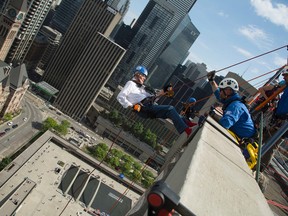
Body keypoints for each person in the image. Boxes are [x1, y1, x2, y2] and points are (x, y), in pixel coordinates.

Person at [117, 65, 196, 137]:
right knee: (170, 108)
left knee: (169, 112)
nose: (144, 78)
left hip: (148, 106)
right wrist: (131, 106)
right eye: (144, 76)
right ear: (138, 74)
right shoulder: (131, 83)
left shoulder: (142, 87)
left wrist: (161, 93)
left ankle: (187, 123)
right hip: (143, 108)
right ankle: (187, 130)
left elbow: (151, 97)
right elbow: (120, 96)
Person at [207, 72, 256, 140]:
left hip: (246, 138)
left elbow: (226, 123)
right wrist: (211, 80)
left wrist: (213, 114)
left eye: (221, 90)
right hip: (241, 133)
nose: (220, 92)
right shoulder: (230, 100)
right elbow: (218, 94)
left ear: (228, 91)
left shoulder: (235, 106)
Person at [260, 65, 288, 169]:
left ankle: (261, 166)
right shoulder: (285, 85)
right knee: (263, 138)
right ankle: (251, 155)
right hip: (278, 119)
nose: (283, 77)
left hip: (284, 123)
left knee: (271, 145)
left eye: (285, 76)